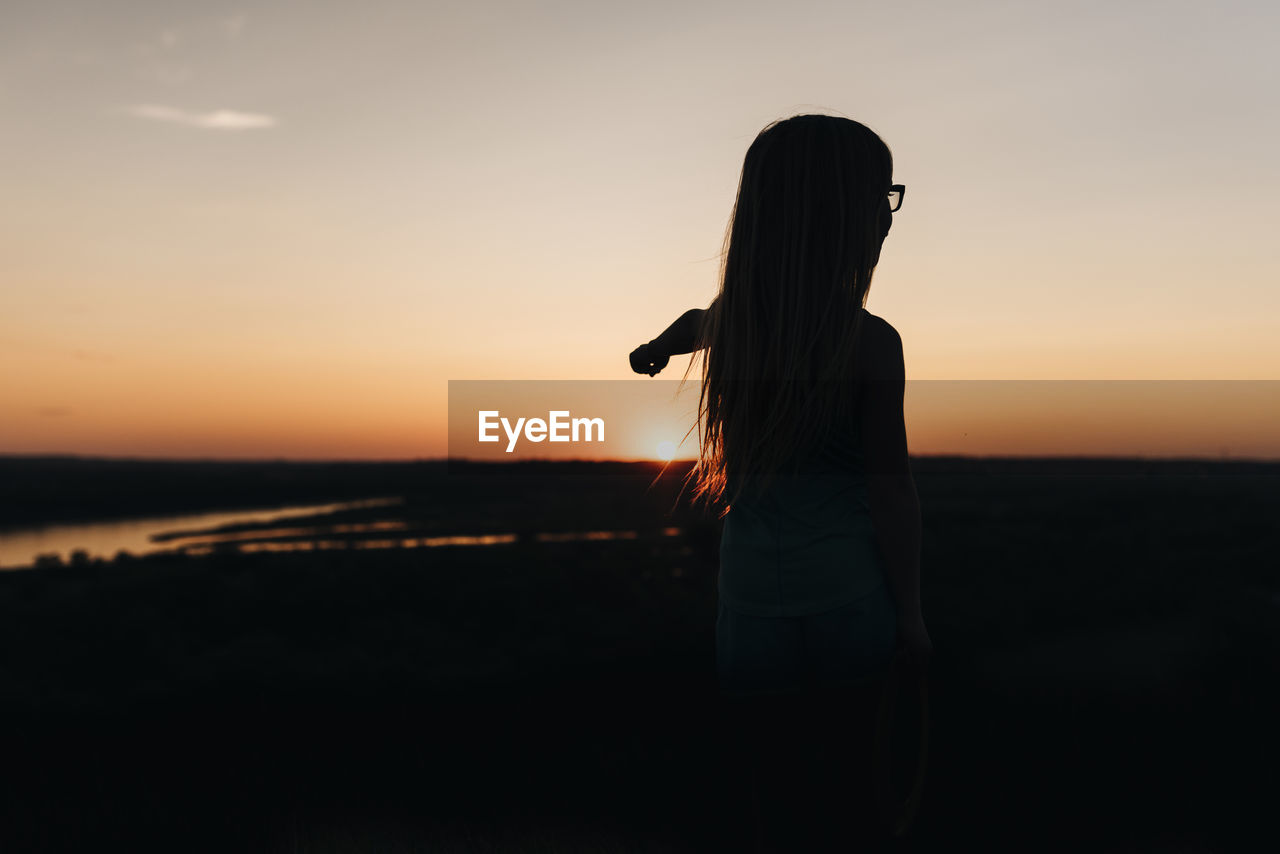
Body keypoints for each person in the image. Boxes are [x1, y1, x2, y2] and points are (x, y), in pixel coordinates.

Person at [629, 114, 931, 852]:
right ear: (843, 217)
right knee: (855, 796)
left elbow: (694, 320)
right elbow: (890, 493)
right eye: (879, 198)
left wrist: (656, 348)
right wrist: (914, 617)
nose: (886, 218)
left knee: (774, 794)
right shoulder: (870, 344)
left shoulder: (737, 329)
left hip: (750, 604)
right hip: (849, 602)